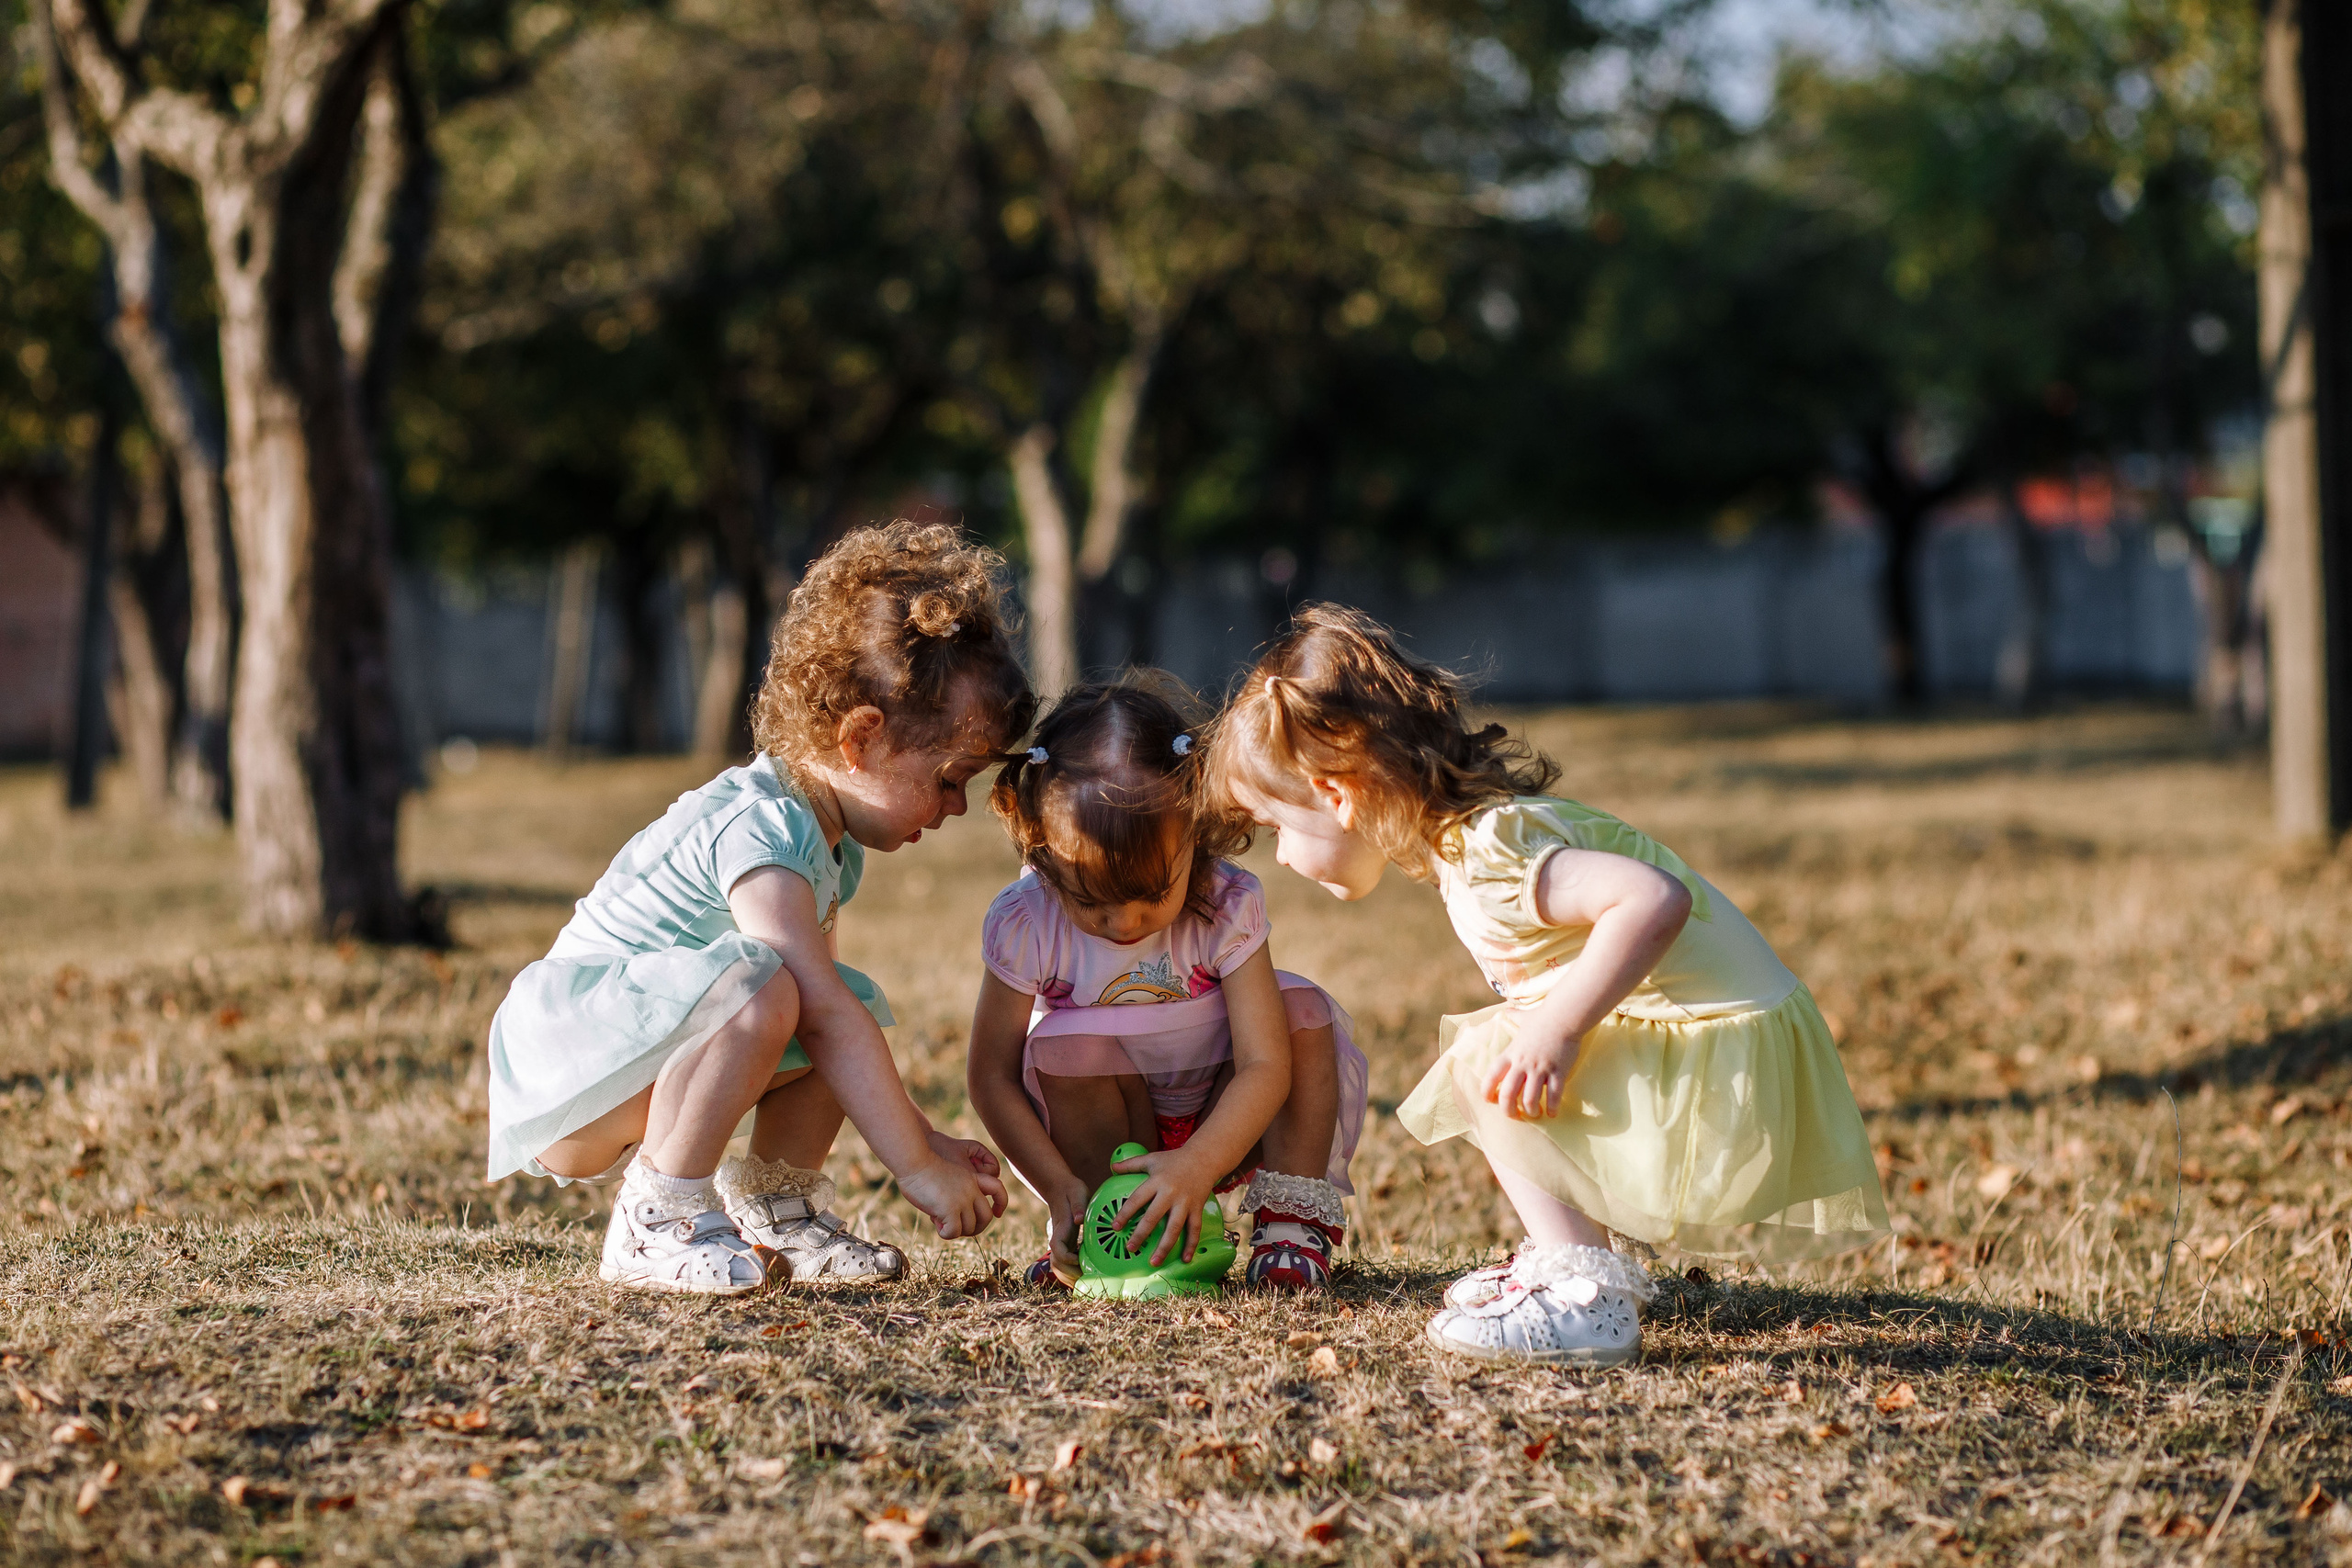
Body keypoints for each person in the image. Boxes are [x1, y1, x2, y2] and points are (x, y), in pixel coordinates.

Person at [1205, 605, 1888, 1364]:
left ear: (1338, 796)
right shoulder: (1472, 840)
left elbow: (1655, 900)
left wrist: (1557, 1029)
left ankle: (1586, 1300)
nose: (1285, 857)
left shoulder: (1491, 852)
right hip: (1714, 1038)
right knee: (1508, 1041)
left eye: (1276, 828)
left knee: (1489, 1057)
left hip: (1724, 1056)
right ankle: (1573, 1260)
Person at [484, 522, 1028, 1296]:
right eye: (949, 776)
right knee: (781, 989)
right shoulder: (762, 826)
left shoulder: (829, 844)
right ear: (862, 737)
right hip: (573, 1052)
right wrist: (917, 1166)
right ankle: (657, 1219)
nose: (956, 806)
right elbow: (811, 1013)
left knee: (842, 999)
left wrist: (930, 1139)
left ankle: (778, 1209)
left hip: (637, 1052)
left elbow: (833, 1022)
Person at [965, 676, 1369, 1292]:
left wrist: (1200, 1161)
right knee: (1062, 1046)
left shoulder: (1223, 902)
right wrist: (1057, 1186)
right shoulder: (1029, 920)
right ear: (1043, 851)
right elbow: (990, 1073)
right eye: (1092, 899)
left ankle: (1289, 1227)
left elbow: (1263, 1062)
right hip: (1112, 1120)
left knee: (1301, 1013)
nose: (1125, 922)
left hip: (1225, 1111)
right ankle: (1110, 1227)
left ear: (1196, 834)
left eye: (1154, 893)